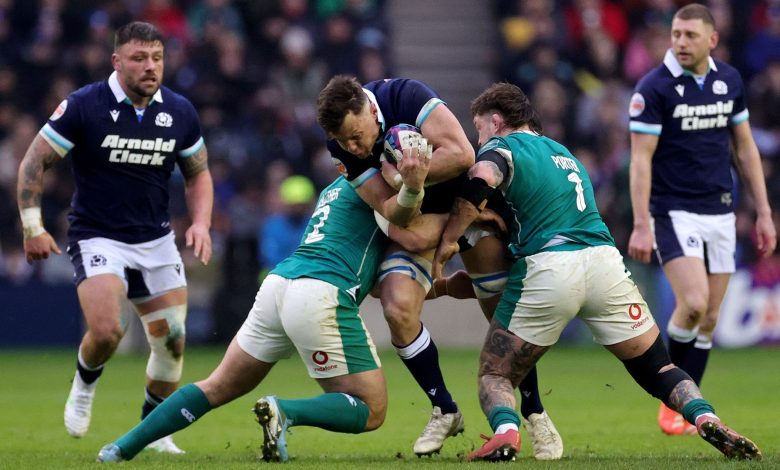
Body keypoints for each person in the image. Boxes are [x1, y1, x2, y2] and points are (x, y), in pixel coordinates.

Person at [433, 82, 762, 462]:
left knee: (496, 374)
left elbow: (483, 177)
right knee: (659, 368)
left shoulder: (502, 147)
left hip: (551, 266)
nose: (478, 138)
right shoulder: (565, 153)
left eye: (478, 128)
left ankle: (507, 433)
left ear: (495, 120)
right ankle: (705, 415)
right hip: (606, 263)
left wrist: (450, 239)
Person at [96, 146, 433, 462]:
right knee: (371, 408)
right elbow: (416, 236)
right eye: (402, 160)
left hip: (278, 284)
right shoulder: (377, 190)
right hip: (320, 293)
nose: (408, 167)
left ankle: (120, 448)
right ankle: (285, 411)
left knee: (216, 385)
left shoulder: (337, 186)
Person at [316, 75, 561, 458]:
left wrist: (408, 177)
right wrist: (408, 186)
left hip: (469, 204)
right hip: (422, 224)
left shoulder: (406, 95)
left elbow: (463, 155)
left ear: (366, 107)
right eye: (343, 142)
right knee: (397, 308)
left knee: (502, 316)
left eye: (355, 135)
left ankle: (534, 410)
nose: (353, 147)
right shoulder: (341, 145)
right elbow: (392, 212)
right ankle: (444, 408)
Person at [16, 22, 214, 454]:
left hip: (156, 240)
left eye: (157, 58)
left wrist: (200, 222)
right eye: (140, 58)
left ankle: (155, 431)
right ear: (117, 61)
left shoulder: (179, 111)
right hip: (98, 236)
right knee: (108, 331)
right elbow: (33, 163)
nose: (150, 67)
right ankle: (84, 387)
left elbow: (198, 173)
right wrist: (33, 226)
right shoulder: (83, 106)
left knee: (173, 339)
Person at [627, 4, 776, 435]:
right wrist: (640, 222)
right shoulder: (653, 88)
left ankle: (685, 407)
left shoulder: (728, 80)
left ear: (712, 39)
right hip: (674, 211)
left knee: (709, 316)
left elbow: (745, 149)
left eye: (690, 35)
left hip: (721, 210)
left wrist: (763, 212)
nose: (681, 42)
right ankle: (670, 395)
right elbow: (641, 160)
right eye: (676, 34)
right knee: (691, 304)